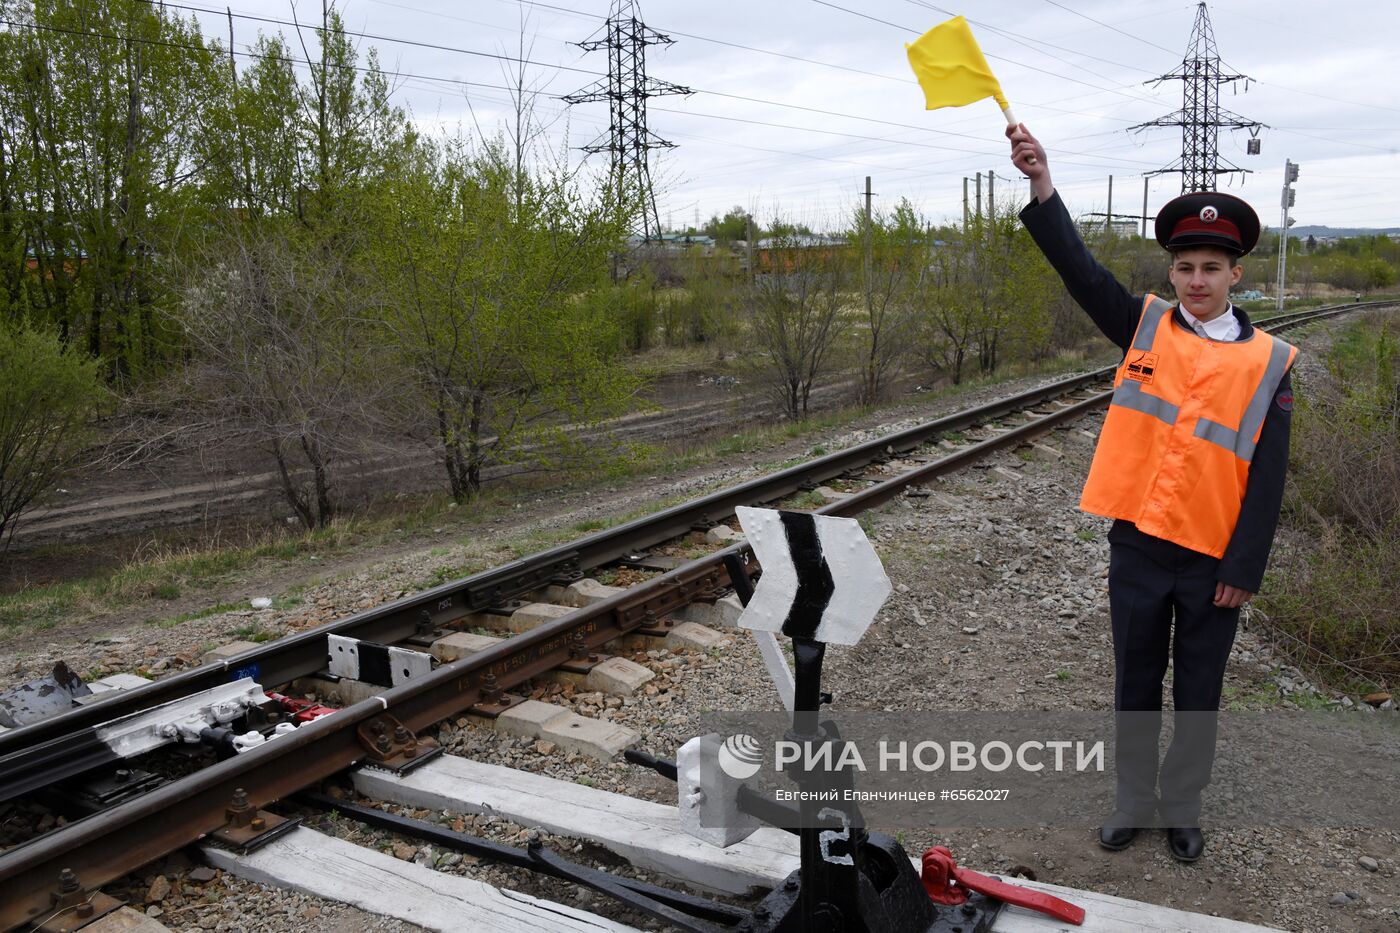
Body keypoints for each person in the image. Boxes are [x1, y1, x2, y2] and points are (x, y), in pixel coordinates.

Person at [1006, 123, 1297, 863]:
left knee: (1199, 690)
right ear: (1171, 273)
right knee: (1136, 681)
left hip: (1210, 562)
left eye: (1210, 267)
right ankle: (1133, 799)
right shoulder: (1142, 326)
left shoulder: (1270, 363)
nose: (1196, 279)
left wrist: (1243, 570)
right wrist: (1043, 184)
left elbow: (1267, 477)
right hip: (1138, 545)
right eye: (1185, 266)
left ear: (1235, 275)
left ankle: (1184, 807)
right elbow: (1079, 270)